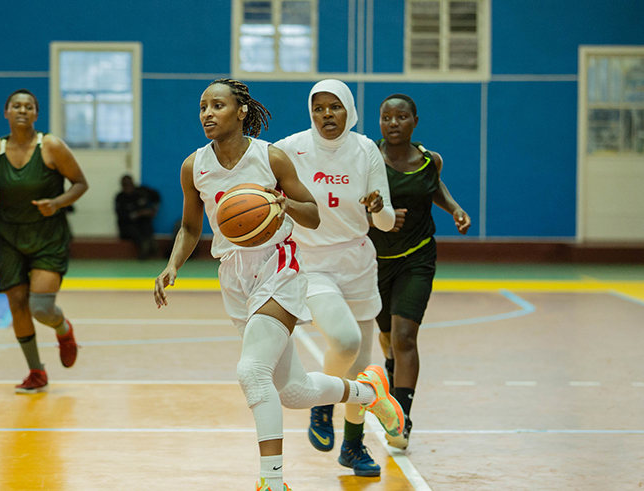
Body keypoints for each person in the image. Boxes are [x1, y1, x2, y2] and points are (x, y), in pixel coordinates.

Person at [153, 79, 404, 491]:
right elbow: (189, 226)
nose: (207, 114)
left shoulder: (271, 157)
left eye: (218, 105)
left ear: (241, 112)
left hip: (279, 264)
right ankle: (369, 391)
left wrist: (280, 202)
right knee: (292, 390)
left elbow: (312, 214)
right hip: (233, 273)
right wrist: (172, 264)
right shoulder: (193, 165)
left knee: (253, 372)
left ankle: (272, 481)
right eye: (202, 107)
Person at [273, 79, 396, 477]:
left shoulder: (365, 151)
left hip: (358, 261)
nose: (327, 114)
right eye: (319, 108)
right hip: (311, 262)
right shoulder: (291, 148)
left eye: (335, 107)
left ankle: (353, 447)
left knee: (361, 364)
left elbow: (387, 220)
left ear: (349, 109)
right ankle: (323, 399)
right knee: (344, 339)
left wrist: (378, 208)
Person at [368, 93, 471, 449]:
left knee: (405, 336)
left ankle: (402, 419)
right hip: (374, 262)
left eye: (401, 117)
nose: (393, 123)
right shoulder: (367, 159)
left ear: (414, 121)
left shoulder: (430, 160)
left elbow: (433, 187)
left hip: (417, 258)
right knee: (388, 338)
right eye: (386, 117)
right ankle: (391, 366)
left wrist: (454, 208)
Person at [0, 89, 89, 394]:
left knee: (40, 307)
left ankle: (63, 330)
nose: (22, 110)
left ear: (36, 114)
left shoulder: (50, 146)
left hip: (48, 236)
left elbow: (80, 183)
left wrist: (58, 202)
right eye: (16, 105)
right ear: (6, 112)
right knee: (18, 305)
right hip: (10, 237)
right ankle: (36, 372)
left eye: (28, 106)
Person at [115, 174, 160, 260]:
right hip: (128, 225)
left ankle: (151, 243)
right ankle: (144, 246)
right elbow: (122, 217)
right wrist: (138, 213)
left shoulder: (142, 192)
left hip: (142, 223)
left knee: (146, 223)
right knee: (132, 229)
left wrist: (154, 210)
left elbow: (156, 196)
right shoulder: (120, 198)